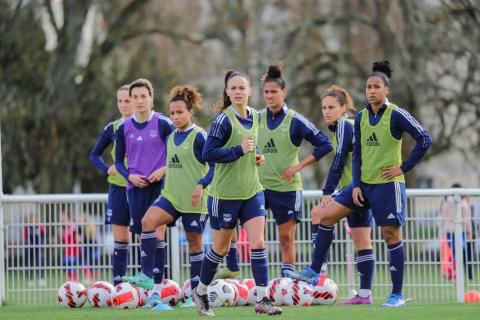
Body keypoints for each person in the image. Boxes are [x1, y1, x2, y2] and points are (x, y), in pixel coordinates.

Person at [288, 60, 432, 308]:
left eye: (377, 86)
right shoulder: (362, 118)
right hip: (362, 186)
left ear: (386, 90)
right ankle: (314, 270)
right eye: (368, 87)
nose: (372, 91)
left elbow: (424, 138)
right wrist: (355, 184)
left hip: (388, 185)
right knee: (325, 216)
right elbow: (357, 156)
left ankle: (396, 295)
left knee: (390, 235)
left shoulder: (396, 114)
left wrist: (403, 167)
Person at [191, 70, 282, 316]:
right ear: (228, 92)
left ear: (250, 91)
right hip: (225, 196)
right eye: (234, 88)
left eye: (243, 88)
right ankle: (200, 291)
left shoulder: (255, 116)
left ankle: (262, 300)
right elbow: (208, 154)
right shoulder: (223, 120)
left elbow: (250, 145)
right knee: (219, 249)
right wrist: (239, 151)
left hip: (252, 191)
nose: (238, 92)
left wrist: (257, 156)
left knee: (259, 242)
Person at [123, 85, 214, 308]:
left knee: (195, 245)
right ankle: (148, 277)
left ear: (191, 111)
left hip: (194, 200)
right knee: (147, 222)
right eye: (172, 113)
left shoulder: (200, 136)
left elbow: (214, 167)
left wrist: (201, 185)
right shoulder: (171, 136)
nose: (175, 117)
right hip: (171, 197)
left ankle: (196, 295)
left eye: (180, 112)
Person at [257, 63, 332, 277]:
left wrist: (298, 166)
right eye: (266, 92)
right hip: (258, 188)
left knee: (285, 237)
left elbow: (325, 144)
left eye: (274, 92)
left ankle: (287, 281)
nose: (269, 96)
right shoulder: (256, 118)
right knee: (257, 238)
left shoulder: (295, 120)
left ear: (284, 92)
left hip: (286, 189)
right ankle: (260, 283)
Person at [115, 78, 174, 297]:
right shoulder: (124, 127)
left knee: (158, 232)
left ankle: (158, 286)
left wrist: (164, 170)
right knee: (143, 236)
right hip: (135, 188)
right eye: (135, 97)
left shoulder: (163, 123)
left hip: (161, 187)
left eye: (143, 96)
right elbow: (119, 162)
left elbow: (177, 154)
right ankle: (152, 287)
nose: (139, 101)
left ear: (151, 98)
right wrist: (130, 175)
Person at [318, 85, 375, 304]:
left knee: (319, 214)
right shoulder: (347, 126)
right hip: (360, 190)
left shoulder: (344, 125)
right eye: (324, 107)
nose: (326, 112)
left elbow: (340, 160)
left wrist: (327, 191)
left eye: (331, 107)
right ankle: (364, 295)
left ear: (344, 108)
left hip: (353, 189)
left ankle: (316, 274)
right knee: (363, 242)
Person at [89, 84, 133, 285]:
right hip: (117, 188)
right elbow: (94, 154)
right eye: (120, 101)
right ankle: (119, 285)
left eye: (128, 100)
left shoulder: (149, 125)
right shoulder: (112, 127)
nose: (124, 105)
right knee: (121, 239)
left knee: (147, 237)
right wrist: (108, 168)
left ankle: (153, 284)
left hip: (142, 187)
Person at [440, 183, 473, 279]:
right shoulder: (463, 203)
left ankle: (452, 272)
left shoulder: (445, 202)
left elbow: (442, 218)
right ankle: (457, 272)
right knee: (462, 252)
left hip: (448, 232)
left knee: (454, 253)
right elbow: (467, 219)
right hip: (460, 232)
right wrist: (469, 232)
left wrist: (442, 231)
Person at [24, 213, 46, 287]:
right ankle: (30, 279)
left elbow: (43, 236)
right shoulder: (27, 227)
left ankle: (41, 278)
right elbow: (25, 237)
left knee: (40, 262)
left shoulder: (41, 226)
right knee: (29, 263)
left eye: (36, 218)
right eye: (33, 218)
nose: (35, 220)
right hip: (29, 247)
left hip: (39, 247)